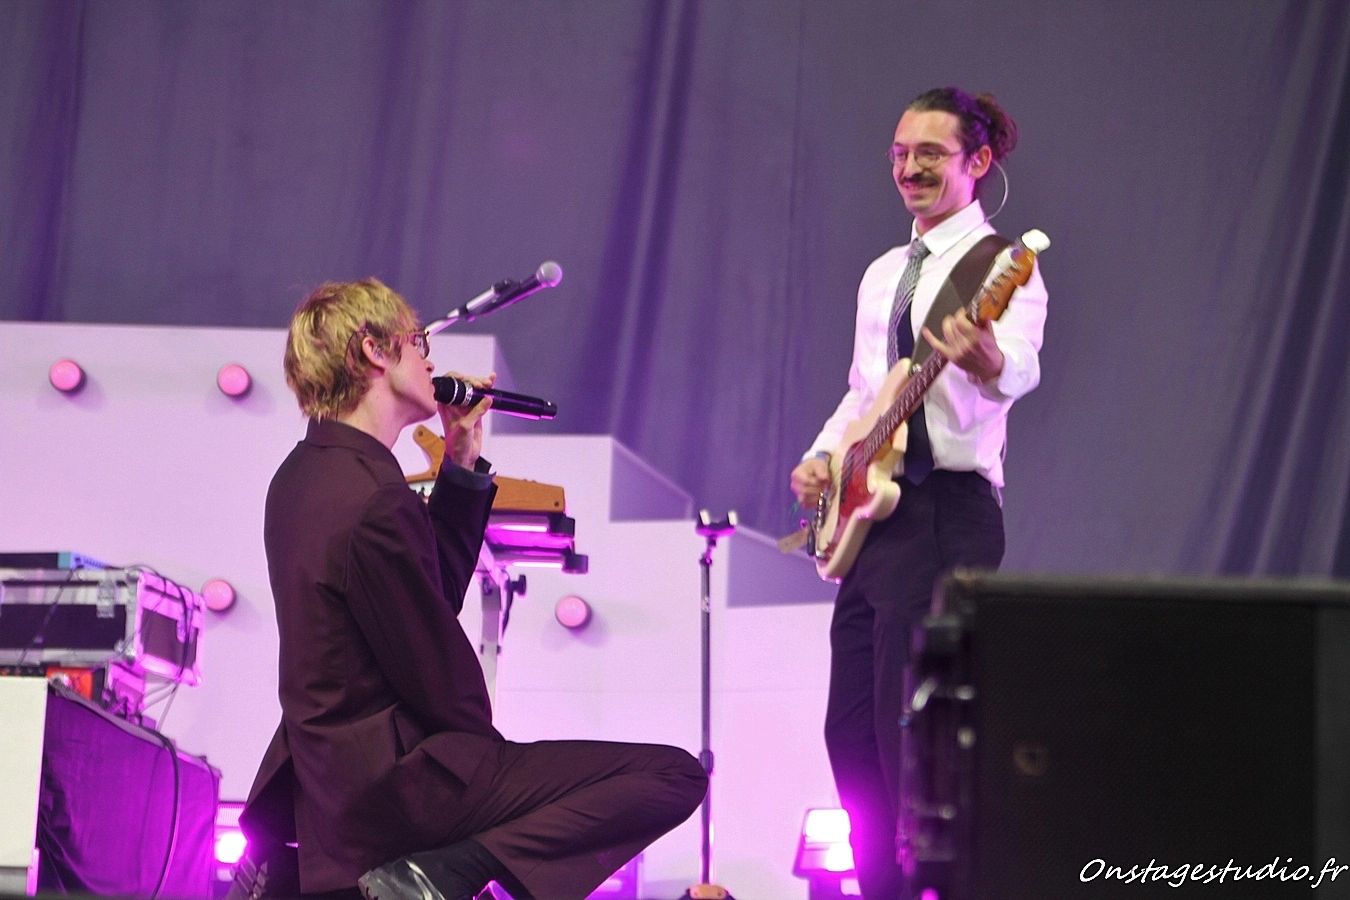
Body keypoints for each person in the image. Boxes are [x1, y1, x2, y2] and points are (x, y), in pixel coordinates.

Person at [236, 278, 707, 900]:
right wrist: (493, 771)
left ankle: (440, 872)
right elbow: (443, 681)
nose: (429, 360)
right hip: (394, 790)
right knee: (674, 775)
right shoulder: (377, 497)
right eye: (417, 342)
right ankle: (439, 875)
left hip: (326, 785)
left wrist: (459, 464)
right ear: (374, 352)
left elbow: (423, 599)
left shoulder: (298, 476)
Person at [789, 87, 1048, 899]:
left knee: (911, 739)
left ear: (979, 161)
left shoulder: (1002, 265)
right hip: (876, 520)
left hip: (946, 513)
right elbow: (865, 391)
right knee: (851, 734)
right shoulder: (883, 274)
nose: (909, 169)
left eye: (930, 153)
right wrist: (824, 457)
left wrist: (989, 361)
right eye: (901, 154)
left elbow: (1021, 365)